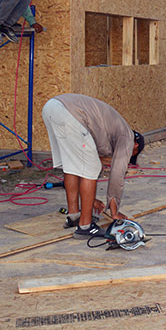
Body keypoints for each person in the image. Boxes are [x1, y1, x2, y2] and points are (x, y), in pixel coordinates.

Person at [42, 94, 144, 239]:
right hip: (70, 114)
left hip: (52, 107)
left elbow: (85, 159)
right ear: (136, 145)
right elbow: (117, 174)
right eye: (131, 154)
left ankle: (74, 216)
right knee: (92, 168)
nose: (128, 157)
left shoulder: (113, 129)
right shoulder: (128, 137)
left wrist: (91, 200)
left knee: (72, 165)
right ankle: (85, 226)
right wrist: (114, 211)